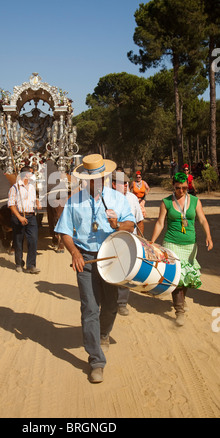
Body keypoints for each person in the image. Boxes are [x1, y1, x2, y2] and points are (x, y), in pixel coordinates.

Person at [55, 154, 135, 383]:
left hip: (112, 256)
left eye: (103, 177)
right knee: (90, 308)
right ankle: (96, 361)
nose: (99, 182)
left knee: (110, 306)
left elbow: (130, 224)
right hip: (86, 259)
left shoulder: (118, 199)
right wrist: (75, 253)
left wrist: (117, 224)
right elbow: (64, 231)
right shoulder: (74, 200)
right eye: (94, 178)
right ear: (86, 180)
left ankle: (103, 334)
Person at [150, 172, 213, 327]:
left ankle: (181, 300)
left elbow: (203, 219)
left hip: (190, 244)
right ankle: (179, 311)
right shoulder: (166, 202)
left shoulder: (195, 201)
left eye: (185, 187)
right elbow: (160, 223)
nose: (181, 191)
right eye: (178, 188)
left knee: (186, 276)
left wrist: (208, 236)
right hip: (172, 243)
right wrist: (152, 241)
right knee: (177, 277)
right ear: (173, 186)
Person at [111, 169, 144, 316]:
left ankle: (122, 303)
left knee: (126, 272)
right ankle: (109, 300)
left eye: (126, 183)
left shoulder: (132, 198)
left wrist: (142, 240)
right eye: (121, 183)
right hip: (112, 241)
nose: (125, 185)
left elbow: (139, 220)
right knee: (111, 271)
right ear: (113, 184)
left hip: (130, 240)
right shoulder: (108, 198)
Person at [8, 166, 42, 274]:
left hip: (31, 217)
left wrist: (37, 202)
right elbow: (11, 205)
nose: (33, 175)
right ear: (26, 174)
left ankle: (31, 265)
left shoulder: (32, 187)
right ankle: (18, 264)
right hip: (19, 217)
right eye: (31, 173)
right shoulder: (15, 187)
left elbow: (34, 197)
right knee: (18, 241)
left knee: (33, 240)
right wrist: (20, 217)